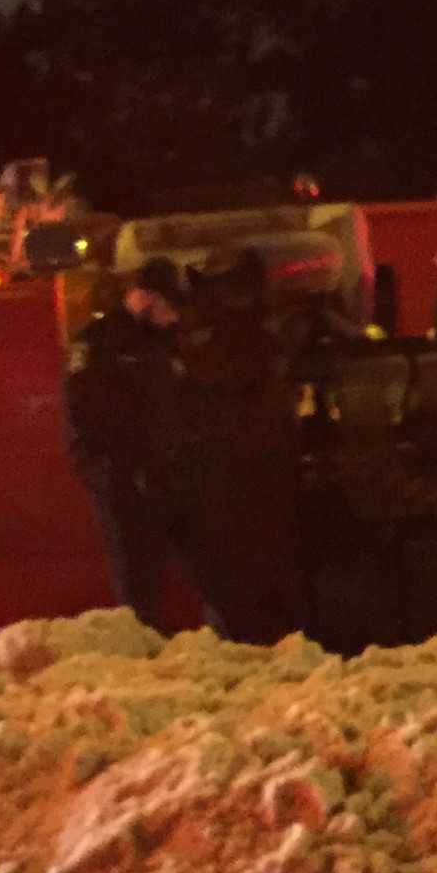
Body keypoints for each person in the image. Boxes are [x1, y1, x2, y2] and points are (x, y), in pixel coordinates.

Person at [166, 251, 309, 644]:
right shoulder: (261, 334)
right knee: (266, 565)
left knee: (238, 573)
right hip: (259, 465)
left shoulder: (211, 339)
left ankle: (249, 642)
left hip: (230, 472)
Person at [62, 257, 191, 628]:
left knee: (170, 578)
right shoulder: (99, 343)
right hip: (124, 485)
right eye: (169, 306)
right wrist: (108, 477)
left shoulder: (161, 342)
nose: (174, 317)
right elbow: (82, 419)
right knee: (138, 585)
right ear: (146, 298)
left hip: (163, 481)